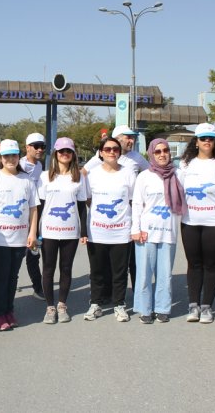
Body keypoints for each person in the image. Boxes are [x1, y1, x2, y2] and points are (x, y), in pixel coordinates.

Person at [0, 139, 39, 331]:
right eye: (6, 156)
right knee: (1, 275)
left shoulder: (27, 180)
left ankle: (9, 311)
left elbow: (33, 209)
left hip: (20, 238)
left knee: (13, 276)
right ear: (1, 157)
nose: (11, 159)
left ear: (18, 156)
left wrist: (32, 233)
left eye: (14, 155)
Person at [177, 123, 215, 324]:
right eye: (203, 138)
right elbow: (176, 191)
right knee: (194, 264)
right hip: (190, 221)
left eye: (211, 138)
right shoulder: (185, 164)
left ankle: (207, 306)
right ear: (196, 142)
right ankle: (193, 305)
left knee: (211, 264)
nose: (207, 141)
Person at [131, 138, 184, 324]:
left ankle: (162, 307)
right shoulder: (144, 176)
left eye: (165, 150)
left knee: (165, 273)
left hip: (168, 232)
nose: (162, 154)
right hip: (146, 232)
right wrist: (135, 229)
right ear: (151, 154)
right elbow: (137, 204)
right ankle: (145, 308)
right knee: (144, 273)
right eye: (158, 152)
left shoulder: (178, 175)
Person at [84, 137, 136, 323]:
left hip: (121, 231)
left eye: (115, 149)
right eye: (107, 149)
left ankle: (119, 304)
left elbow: (132, 201)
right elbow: (88, 200)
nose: (112, 152)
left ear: (119, 152)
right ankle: (96, 304)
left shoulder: (128, 173)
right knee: (97, 271)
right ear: (101, 152)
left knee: (119, 272)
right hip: (97, 231)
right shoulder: (92, 174)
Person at [37, 137, 88, 324]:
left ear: (73, 154)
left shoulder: (79, 177)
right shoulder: (45, 177)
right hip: (49, 231)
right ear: (55, 154)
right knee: (48, 269)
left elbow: (82, 207)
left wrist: (84, 232)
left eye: (68, 151)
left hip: (70, 231)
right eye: (61, 151)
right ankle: (50, 307)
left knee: (66, 269)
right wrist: (34, 232)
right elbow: (39, 206)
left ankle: (62, 304)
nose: (65, 154)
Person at [19, 132, 46, 300]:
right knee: (14, 255)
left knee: (33, 253)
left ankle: (38, 287)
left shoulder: (39, 166)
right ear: (27, 147)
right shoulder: (19, 164)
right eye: (36, 146)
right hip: (17, 216)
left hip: (34, 214)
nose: (40, 150)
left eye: (42, 147)